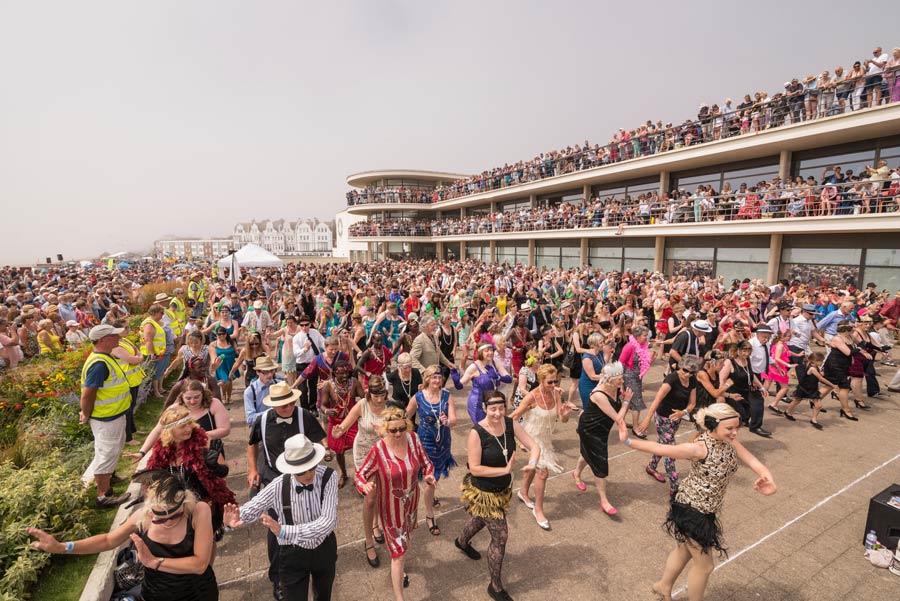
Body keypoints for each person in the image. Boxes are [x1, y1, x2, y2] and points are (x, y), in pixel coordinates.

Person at [618, 403, 776, 601]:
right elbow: (660, 448)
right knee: (705, 566)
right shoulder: (698, 448)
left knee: (684, 551)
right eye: (730, 428)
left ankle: (663, 586)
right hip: (691, 510)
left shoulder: (730, 442)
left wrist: (768, 479)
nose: (735, 432)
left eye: (737, 427)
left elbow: (754, 462)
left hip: (707, 509)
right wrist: (627, 442)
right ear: (712, 425)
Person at [28, 471, 218, 601]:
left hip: (197, 593)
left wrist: (154, 562)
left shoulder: (198, 511)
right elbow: (108, 540)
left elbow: (200, 564)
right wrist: (62, 547)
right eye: (158, 518)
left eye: (173, 517)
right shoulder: (143, 517)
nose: (165, 522)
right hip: (156, 594)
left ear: (185, 504)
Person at [224, 434, 338, 601]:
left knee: (324, 594)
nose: (308, 474)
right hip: (292, 555)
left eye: (312, 467)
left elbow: (327, 522)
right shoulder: (278, 485)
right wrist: (232, 521)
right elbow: (254, 506)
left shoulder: (329, 477)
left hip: (323, 548)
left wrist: (283, 531)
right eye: (301, 470)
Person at [455, 389, 540, 601]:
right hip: (484, 492)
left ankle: (461, 542)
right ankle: (495, 586)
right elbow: (474, 468)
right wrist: (504, 470)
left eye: (501, 408)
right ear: (485, 408)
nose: (497, 413)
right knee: (500, 536)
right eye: (493, 409)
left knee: (480, 520)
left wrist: (532, 463)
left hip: (503, 489)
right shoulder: (477, 433)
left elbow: (534, 445)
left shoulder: (510, 424)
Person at [246, 381, 327, 600]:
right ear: (273, 405)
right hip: (275, 480)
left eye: (291, 402)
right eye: (283, 405)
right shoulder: (261, 421)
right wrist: (253, 469)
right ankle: (278, 578)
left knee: (307, 523)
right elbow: (252, 444)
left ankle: (310, 566)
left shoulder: (304, 416)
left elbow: (319, 442)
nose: (289, 407)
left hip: (303, 479)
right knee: (276, 532)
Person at [355, 406, 435, 601]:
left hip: (411, 505)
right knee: (398, 554)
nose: (398, 433)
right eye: (393, 430)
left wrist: (429, 475)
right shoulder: (379, 450)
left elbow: (427, 463)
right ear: (385, 429)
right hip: (390, 511)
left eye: (402, 428)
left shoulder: (413, 440)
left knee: (404, 544)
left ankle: (399, 570)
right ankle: (400, 598)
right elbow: (360, 475)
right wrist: (364, 486)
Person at [145, 405, 236, 542]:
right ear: (169, 430)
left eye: (189, 424)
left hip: (203, 506)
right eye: (182, 426)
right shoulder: (161, 450)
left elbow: (224, 472)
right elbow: (151, 479)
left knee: (206, 544)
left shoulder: (203, 441)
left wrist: (215, 467)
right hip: (175, 509)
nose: (188, 429)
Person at [331, 376, 389, 567]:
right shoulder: (362, 405)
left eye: (382, 395)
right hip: (365, 454)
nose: (379, 399)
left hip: (384, 453)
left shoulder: (391, 406)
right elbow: (345, 425)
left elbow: (399, 430)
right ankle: (369, 541)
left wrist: (385, 431)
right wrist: (338, 431)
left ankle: (376, 524)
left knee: (381, 494)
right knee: (370, 496)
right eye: (375, 395)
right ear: (369, 393)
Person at [509, 364, 571, 529]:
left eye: (555, 381)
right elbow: (514, 416)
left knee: (534, 469)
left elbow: (561, 418)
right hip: (531, 436)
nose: (553, 385)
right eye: (550, 382)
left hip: (545, 438)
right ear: (541, 380)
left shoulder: (555, 393)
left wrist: (565, 415)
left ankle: (523, 492)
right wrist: (494, 429)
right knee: (542, 472)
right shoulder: (532, 396)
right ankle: (538, 509)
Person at [80, 324, 132, 507]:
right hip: (106, 418)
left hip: (113, 416)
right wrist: (85, 413)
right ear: (103, 340)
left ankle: (109, 476)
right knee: (106, 454)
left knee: (113, 449)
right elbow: (87, 393)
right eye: (114, 336)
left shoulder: (104, 357)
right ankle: (103, 495)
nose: (118, 339)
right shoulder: (99, 364)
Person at [637, 355, 700, 497]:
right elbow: (657, 399)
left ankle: (651, 467)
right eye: (685, 370)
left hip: (676, 420)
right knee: (670, 451)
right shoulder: (671, 379)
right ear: (680, 366)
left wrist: (682, 412)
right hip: (662, 418)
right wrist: (647, 419)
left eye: (692, 372)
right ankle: (674, 485)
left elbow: (692, 403)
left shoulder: (692, 381)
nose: (688, 374)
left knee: (662, 444)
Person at [572, 362, 631, 513]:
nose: (622, 381)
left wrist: (623, 398)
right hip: (590, 430)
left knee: (587, 453)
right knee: (599, 462)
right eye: (619, 379)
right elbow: (618, 418)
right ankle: (604, 501)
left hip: (602, 430)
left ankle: (576, 473)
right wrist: (626, 402)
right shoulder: (599, 395)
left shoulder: (617, 388)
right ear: (610, 379)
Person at [406, 364, 457, 533]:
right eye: (434, 377)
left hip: (443, 442)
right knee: (430, 480)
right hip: (426, 442)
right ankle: (429, 515)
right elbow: (406, 416)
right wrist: (407, 435)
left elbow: (454, 420)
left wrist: (447, 421)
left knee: (437, 475)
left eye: (439, 377)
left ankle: (432, 495)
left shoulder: (447, 396)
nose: (437, 380)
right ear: (427, 379)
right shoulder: (418, 397)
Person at [317, 359, 364, 488]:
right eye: (341, 373)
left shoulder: (354, 383)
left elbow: (364, 399)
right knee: (339, 451)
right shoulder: (329, 386)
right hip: (336, 423)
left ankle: (359, 474)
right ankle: (343, 474)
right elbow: (322, 404)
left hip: (352, 422)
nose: (344, 375)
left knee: (357, 448)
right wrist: (327, 410)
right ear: (334, 374)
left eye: (346, 373)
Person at [452, 343, 513, 424]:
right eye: (486, 351)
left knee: (495, 428)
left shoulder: (495, 362)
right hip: (477, 404)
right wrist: (455, 379)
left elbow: (509, 379)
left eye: (491, 350)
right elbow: (460, 386)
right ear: (480, 352)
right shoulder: (474, 367)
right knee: (483, 430)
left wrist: (498, 377)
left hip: (492, 402)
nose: (490, 353)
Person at [781, 352, 834, 429]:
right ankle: (787, 412)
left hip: (812, 388)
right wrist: (832, 385)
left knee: (818, 405)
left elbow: (818, 375)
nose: (822, 363)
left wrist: (822, 373)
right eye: (821, 361)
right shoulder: (812, 368)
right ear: (815, 361)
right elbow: (820, 378)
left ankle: (814, 420)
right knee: (797, 400)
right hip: (805, 388)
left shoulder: (815, 366)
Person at [619, 324, 655, 434]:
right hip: (629, 377)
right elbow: (620, 363)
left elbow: (644, 364)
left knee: (629, 402)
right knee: (636, 402)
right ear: (637, 336)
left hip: (637, 377)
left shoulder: (642, 346)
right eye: (645, 335)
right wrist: (621, 382)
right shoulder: (629, 346)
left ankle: (620, 421)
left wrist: (651, 359)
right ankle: (635, 427)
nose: (646, 337)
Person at [822, 320, 861, 421]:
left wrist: (879, 348)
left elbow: (863, 343)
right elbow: (849, 353)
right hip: (834, 365)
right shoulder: (837, 338)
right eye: (852, 327)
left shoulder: (850, 337)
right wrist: (860, 348)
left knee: (829, 385)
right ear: (847, 329)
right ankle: (846, 410)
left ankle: (814, 400)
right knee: (844, 387)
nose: (854, 329)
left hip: (843, 364)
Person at [242, 356, 282, 427]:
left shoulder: (280, 385)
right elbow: (250, 419)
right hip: (262, 428)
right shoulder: (250, 392)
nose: (270, 375)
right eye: (265, 372)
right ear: (257, 372)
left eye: (271, 371)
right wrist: (271, 412)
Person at [209, 325, 238, 404]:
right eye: (219, 334)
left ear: (226, 334)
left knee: (230, 381)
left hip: (230, 363)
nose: (221, 335)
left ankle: (229, 397)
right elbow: (213, 356)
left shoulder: (231, 342)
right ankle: (224, 396)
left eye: (223, 334)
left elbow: (237, 352)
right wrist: (215, 362)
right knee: (225, 381)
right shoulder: (213, 344)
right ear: (216, 335)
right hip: (220, 365)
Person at [577, 332, 606, 411]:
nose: (603, 344)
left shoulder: (600, 353)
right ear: (594, 344)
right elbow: (592, 376)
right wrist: (607, 377)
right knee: (588, 409)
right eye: (601, 342)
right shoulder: (587, 357)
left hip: (598, 384)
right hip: (587, 386)